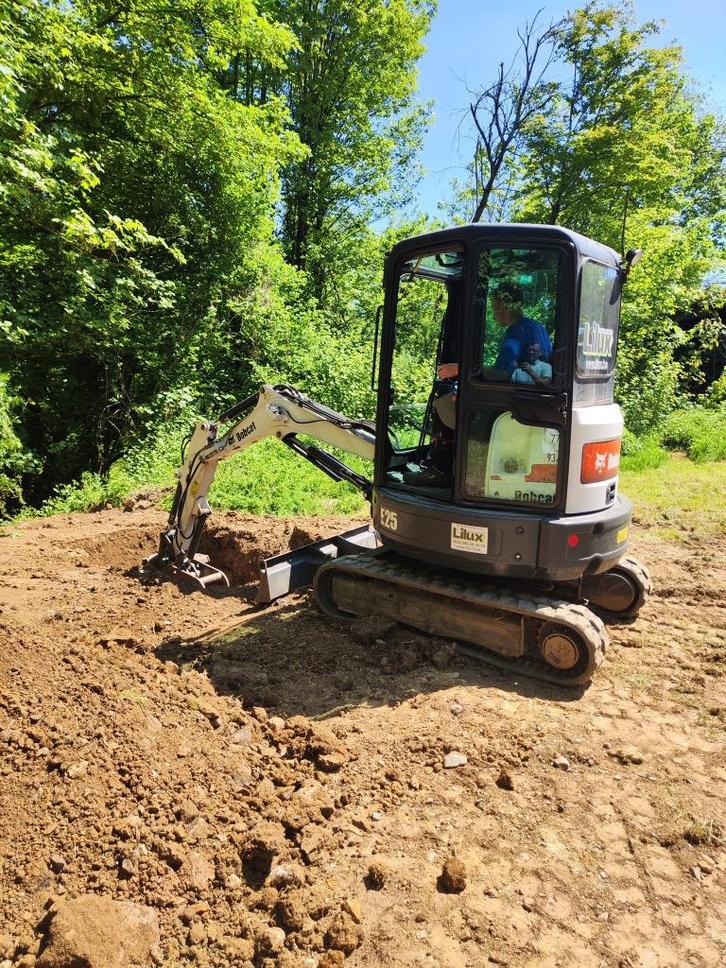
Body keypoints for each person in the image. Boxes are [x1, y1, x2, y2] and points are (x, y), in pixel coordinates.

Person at [489, 281, 552, 378]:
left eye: (493, 306)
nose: (493, 314)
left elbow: (503, 374)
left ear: (502, 305)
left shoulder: (517, 331)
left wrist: (478, 372)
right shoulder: (537, 326)